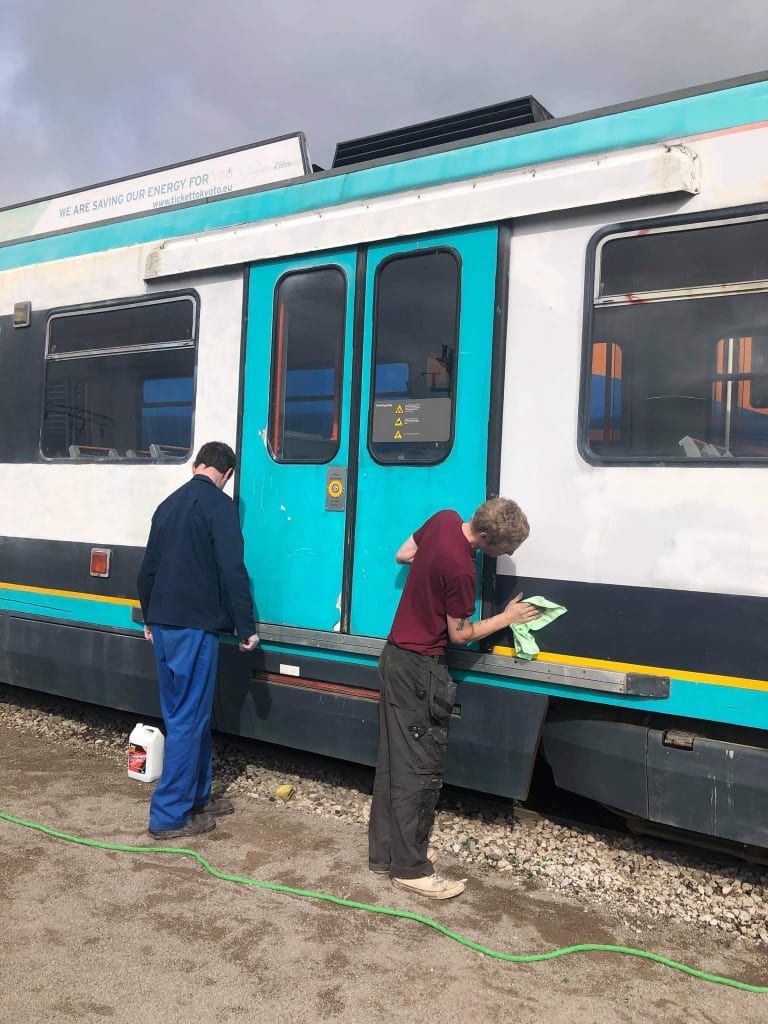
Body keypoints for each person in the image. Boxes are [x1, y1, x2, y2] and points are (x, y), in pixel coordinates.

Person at [368, 498, 539, 899]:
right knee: (418, 769)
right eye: (504, 548)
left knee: (393, 765)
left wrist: (431, 572)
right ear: (485, 537)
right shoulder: (461, 569)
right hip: (419, 672)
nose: (506, 555)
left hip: (393, 658)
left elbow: (403, 554)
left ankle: (385, 856)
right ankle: (411, 869)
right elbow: (459, 634)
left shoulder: (443, 519)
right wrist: (506, 618)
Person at [137, 441, 259, 840]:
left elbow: (147, 570)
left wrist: (150, 616)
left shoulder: (166, 505)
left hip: (163, 626)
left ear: (196, 465)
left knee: (188, 715)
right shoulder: (219, 507)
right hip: (194, 629)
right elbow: (233, 570)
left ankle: (198, 797)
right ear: (227, 474)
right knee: (189, 719)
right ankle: (169, 815)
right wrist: (246, 627)